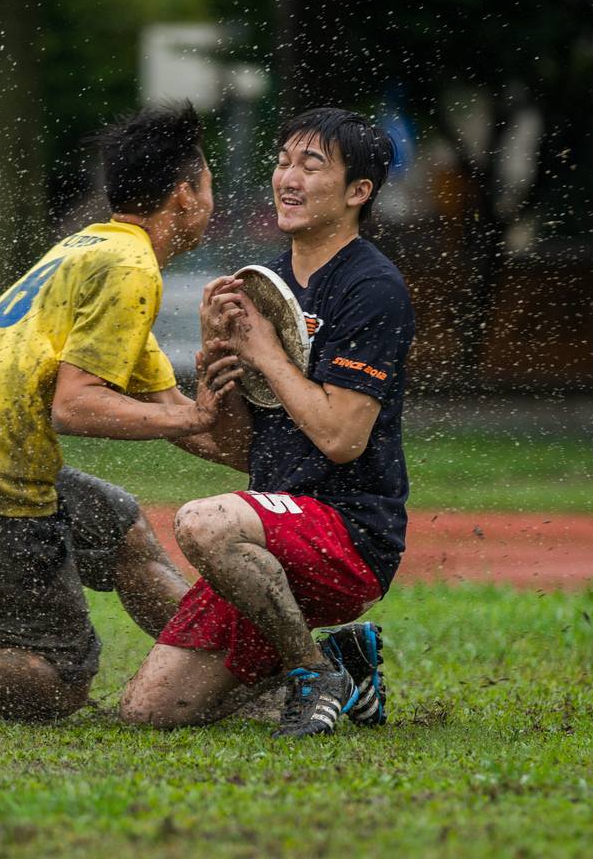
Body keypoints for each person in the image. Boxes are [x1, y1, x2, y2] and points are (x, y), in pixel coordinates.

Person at [0, 104, 243, 722]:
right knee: (62, 678)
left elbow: (179, 412)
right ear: (183, 197)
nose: (211, 198)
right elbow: (74, 406)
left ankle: (225, 668)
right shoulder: (131, 268)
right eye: (208, 184)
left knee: (122, 528)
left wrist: (291, 451)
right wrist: (195, 418)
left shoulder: (93, 248)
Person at [119, 107, 414, 738]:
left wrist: (265, 354)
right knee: (149, 710)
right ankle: (344, 659)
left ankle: (312, 674)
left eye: (312, 166)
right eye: (282, 161)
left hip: (350, 533)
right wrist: (214, 366)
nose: (289, 177)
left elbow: (340, 439)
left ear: (359, 192)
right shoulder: (265, 284)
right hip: (266, 529)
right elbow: (237, 450)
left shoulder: (373, 286)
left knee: (202, 520)